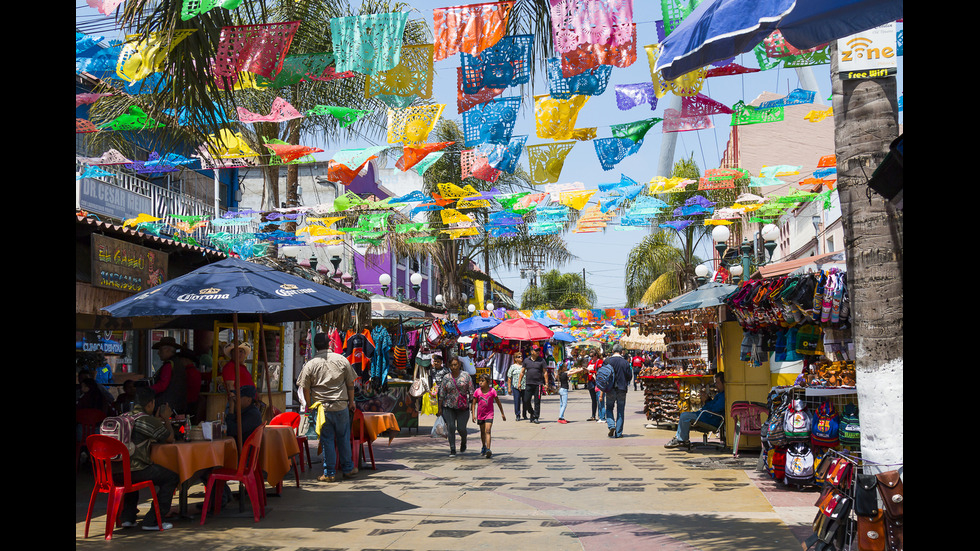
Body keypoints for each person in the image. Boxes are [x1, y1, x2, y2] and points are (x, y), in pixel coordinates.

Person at [298, 333, 358, 482]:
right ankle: (348, 468)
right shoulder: (341, 359)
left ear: (315, 345)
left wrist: (309, 404)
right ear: (329, 344)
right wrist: (351, 402)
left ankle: (329, 473)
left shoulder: (310, 364)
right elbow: (351, 384)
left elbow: (305, 387)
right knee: (343, 438)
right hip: (341, 406)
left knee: (327, 440)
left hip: (321, 409)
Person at [120, 387, 179, 531]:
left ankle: (128, 518)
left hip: (114, 472)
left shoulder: (123, 417)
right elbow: (169, 438)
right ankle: (153, 520)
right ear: (151, 404)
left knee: (130, 473)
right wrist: (165, 418)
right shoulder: (146, 420)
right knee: (171, 477)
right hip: (136, 471)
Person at [665, 372, 726, 449]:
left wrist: (706, 401)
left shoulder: (723, 396)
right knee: (685, 415)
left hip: (710, 419)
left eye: (718, 383)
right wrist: (707, 400)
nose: (716, 385)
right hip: (707, 415)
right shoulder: (720, 394)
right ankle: (680, 437)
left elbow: (715, 408)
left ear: (723, 383)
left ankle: (682, 439)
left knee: (684, 416)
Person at [436, 357, 474, 456]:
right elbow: (442, 394)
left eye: (455, 365)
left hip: (463, 407)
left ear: (459, 365)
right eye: (452, 365)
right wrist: (439, 408)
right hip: (448, 406)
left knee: (461, 428)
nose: (454, 367)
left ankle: (464, 440)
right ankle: (452, 448)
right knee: (451, 427)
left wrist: (473, 406)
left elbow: (471, 392)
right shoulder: (446, 377)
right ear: (449, 366)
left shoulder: (466, 376)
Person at [471, 372, 506, 458]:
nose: (480, 383)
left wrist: (502, 413)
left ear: (488, 382)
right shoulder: (477, 391)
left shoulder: (492, 391)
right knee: (482, 432)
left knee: (488, 430)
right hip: (480, 414)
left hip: (489, 414)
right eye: (479, 381)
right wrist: (473, 415)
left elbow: (498, 402)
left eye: (482, 381)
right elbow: (473, 403)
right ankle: (483, 446)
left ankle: (488, 449)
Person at [150, 337, 187, 414]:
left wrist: (147, 390)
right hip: (177, 405)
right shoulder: (178, 363)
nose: (158, 353)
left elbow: (162, 385)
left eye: (160, 350)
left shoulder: (169, 365)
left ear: (168, 350)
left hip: (166, 407)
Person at [603, 344, 633, 439]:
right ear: (621, 352)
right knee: (620, 411)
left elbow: (603, 374)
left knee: (609, 408)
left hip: (610, 389)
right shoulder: (625, 363)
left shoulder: (607, 361)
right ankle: (619, 433)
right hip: (622, 389)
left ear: (612, 351)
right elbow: (629, 376)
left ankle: (611, 425)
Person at [519, 345, 548, 424]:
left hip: (538, 384)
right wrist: (519, 382)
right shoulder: (526, 360)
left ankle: (536, 417)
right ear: (531, 351)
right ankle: (531, 412)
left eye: (539, 350)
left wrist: (546, 383)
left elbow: (545, 372)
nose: (538, 352)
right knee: (526, 400)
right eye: (536, 350)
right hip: (528, 383)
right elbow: (522, 372)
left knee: (537, 401)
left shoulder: (542, 360)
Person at [178, 347, 202, 423]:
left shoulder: (185, 373)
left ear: (186, 360)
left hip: (186, 405)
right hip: (194, 403)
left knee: (183, 427)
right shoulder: (196, 372)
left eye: (181, 359)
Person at [506, 353, 525, 420]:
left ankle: (524, 414)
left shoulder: (524, 366)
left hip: (524, 386)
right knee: (517, 401)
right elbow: (509, 377)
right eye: (519, 357)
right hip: (515, 386)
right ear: (515, 359)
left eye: (521, 356)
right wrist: (509, 388)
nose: (521, 358)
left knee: (525, 401)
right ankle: (517, 414)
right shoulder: (513, 367)